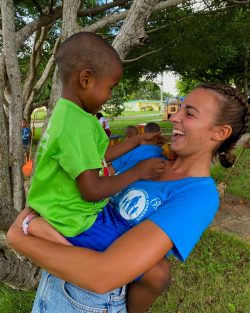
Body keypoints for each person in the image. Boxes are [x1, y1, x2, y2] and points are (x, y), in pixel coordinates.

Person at [8, 83, 249, 313]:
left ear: (220, 132)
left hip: (94, 302)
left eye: (190, 113)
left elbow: (106, 275)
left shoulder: (198, 196)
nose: (174, 117)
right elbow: (88, 182)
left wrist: (21, 239)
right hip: (53, 281)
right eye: (180, 108)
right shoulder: (146, 154)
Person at [22, 31, 166, 312]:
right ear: (85, 79)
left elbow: (97, 158)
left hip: (69, 211)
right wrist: (138, 172)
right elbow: (91, 190)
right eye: (110, 87)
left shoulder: (73, 116)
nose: (110, 96)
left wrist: (134, 141)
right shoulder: (75, 124)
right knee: (143, 261)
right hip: (73, 220)